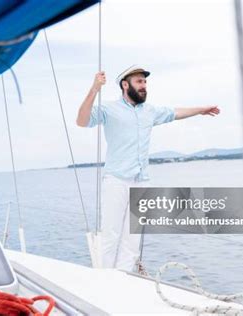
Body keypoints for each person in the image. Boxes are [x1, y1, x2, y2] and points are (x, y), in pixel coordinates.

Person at [76, 65, 220, 271]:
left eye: (145, 82)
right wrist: (94, 89)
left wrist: (201, 110)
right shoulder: (109, 109)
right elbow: (82, 121)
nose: (144, 86)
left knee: (132, 240)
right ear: (125, 85)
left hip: (141, 181)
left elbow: (176, 112)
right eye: (139, 82)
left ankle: (123, 279)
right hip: (116, 179)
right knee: (111, 235)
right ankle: (104, 280)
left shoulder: (150, 111)